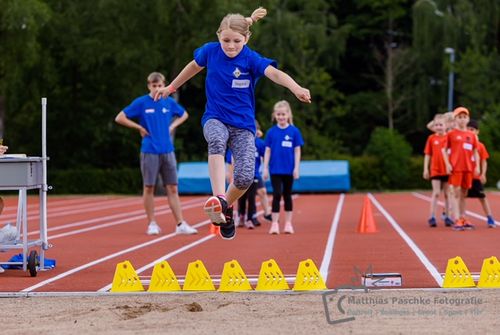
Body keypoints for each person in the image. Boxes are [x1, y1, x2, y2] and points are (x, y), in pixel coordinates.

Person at [153, 7, 311, 240]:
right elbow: (192, 67)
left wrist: (296, 88)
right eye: (225, 40)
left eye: (236, 41)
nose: (230, 46)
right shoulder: (210, 52)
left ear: (246, 39)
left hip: (244, 125)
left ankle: (224, 207)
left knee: (246, 177)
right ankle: (218, 197)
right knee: (216, 140)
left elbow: (275, 74)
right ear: (218, 36)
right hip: (215, 117)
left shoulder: (251, 58)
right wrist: (172, 87)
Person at [115, 72, 198, 236]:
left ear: (164, 85)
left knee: (173, 188)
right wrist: (138, 127)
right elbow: (120, 117)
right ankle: (152, 223)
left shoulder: (169, 102)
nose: (157, 88)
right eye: (154, 86)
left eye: (160, 85)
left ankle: (180, 223)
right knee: (149, 187)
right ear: (149, 86)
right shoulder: (141, 102)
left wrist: (173, 126)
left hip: (168, 150)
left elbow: (185, 114)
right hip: (149, 150)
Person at [263, 100, 304, 234]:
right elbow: (267, 151)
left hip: (289, 169)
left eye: (283, 114)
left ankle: (288, 223)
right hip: (275, 169)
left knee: (287, 195)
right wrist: (265, 168)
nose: (281, 117)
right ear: (275, 115)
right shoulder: (271, 132)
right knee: (276, 194)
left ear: (288, 115)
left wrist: (296, 168)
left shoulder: (294, 131)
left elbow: (297, 150)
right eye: (278, 114)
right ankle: (274, 223)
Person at [441, 107, 480, 231]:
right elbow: (444, 150)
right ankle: (456, 218)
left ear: (468, 119)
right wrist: (447, 164)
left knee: (464, 193)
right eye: (459, 117)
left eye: (464, 117)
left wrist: (477, 166)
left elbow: (475, 151)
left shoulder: (471, 135)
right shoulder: (451, 134)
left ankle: (463, 217)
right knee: (456, 192)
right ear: (455, 119)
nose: (462, 120)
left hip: (468, 168)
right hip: (456, 167)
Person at [423, 114, 453, 227]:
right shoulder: (431, 138)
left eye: (441, 125)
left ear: (446, 126)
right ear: (434, 126)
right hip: (435, 169)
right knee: (435, 193)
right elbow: (427, 154)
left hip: (447, 170)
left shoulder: (449, 137)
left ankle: (448, 217)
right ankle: (432, 216)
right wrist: (425, 169)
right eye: (437, 125)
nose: (439, 127)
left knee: (447, 194)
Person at [466, 119, 496, 228]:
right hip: (465, 176)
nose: (469, 131)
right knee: (461, 197)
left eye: (472, 129)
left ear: (477, 132)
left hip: (476, 176)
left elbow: (484, 160)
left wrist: (483, 173)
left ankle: (490, 217)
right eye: (467, 129)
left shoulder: (480, 146)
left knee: (482, 197)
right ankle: (462, 217)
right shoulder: (463, 144)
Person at [237, 120, 266, 229]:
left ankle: (250, 218)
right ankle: (241, 216)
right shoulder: (241, 141)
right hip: (241, 175)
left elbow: (266, 154)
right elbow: (233, 157)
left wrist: (265, 168)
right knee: (242, 198)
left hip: (254, 175)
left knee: (252, 197)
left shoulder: (259, 143)